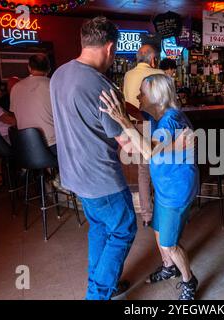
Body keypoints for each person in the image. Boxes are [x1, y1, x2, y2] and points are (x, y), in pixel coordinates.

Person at [49, 16, 137, 300]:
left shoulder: (59, 74)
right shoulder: (103, 87)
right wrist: (128, 120)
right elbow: (129, 146)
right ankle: (97, 294)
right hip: (101, 178)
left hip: (74, 174)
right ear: (110, 48)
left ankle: (101, 281)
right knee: (124, 229)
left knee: (100, 227)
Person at [99, 74, 199, 300]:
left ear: (156, 97)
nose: (138, 96)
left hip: (177, 190)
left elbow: (148, 151)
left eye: (142, 93)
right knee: (157, 228)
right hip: (165, 186)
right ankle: (168, 267)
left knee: (169, 243)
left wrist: (122, 120)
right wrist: (114, 100)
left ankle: (189, 280)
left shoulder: (170, 121)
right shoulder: (156, 113)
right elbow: (134, 109)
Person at [123, 44, 165, 227]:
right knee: (162, 167)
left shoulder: (127, 75)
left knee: (143, 171)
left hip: (134, 127)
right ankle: (164, 212)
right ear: (153, 59)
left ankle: (147, 216)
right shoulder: (159, 74)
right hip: (154, 125)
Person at [10, 54, 57, 155]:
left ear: (29, 68)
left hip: (25, 146)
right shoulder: (53, 85)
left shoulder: (15, 87)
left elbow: (15, 117)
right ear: (49, 69)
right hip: (51, 146)